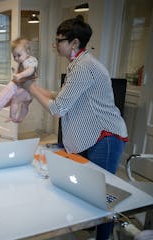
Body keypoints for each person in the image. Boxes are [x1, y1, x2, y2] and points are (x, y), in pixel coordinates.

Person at [28, 15, 128, 240]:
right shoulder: (79, 64)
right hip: (91, 136)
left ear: (74, 43)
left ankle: (103, 237)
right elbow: (60, 96)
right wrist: (32, 87)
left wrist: (31, 89)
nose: (55, 45)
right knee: (84, 189)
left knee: (102, 195)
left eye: (59, 40)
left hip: (105, 136)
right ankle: (87, 228)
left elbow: (58, 109)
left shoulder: (84, 66)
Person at [9, 37, 38, 122]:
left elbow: (30, 70)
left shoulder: (29, 61)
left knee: (14, 100)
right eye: (14, 56)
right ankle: (20, 118)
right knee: (25, 105)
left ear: (28, 52)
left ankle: (12, 117)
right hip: (29, 91)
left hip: (26, 89)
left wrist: (20, 75)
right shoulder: (23, 62)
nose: (16, 58)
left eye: (19, 55)